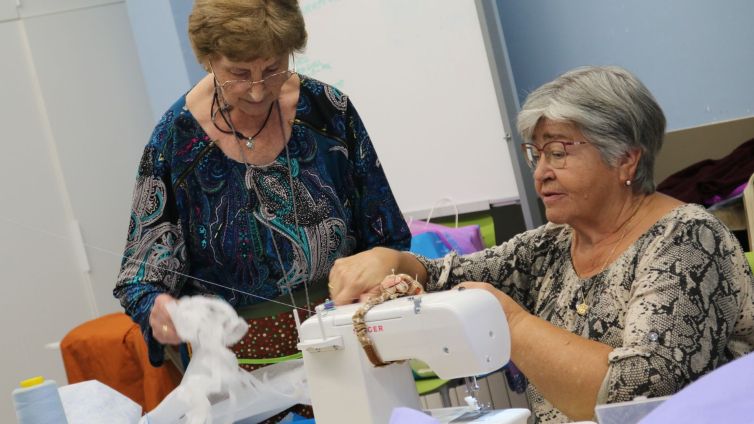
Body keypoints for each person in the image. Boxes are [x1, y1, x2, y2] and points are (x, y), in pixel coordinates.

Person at [328, 66, 754, 423]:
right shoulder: (552, 245)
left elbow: (642, 394)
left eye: (559, 152)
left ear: (625, 157)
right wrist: (394, 260)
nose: (541, 173)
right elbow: (444, 276)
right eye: (537, 154)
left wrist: (511, 322)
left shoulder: (686, 239)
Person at [113, 0, 410, 420]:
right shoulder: (175, 143)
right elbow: (139, 280)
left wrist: (378, 274)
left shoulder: (328, 112)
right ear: (208, 58)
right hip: (244, 386)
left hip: (350, 351)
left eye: (273, 68)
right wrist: (161, 311)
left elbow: (387, 235)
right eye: (238, 73)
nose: (257, 88)